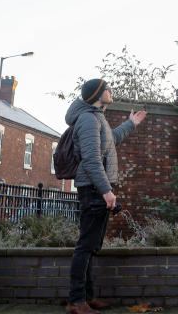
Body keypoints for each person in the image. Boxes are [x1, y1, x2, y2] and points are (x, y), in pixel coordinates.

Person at [66, 78, 147, 314]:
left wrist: (130, 123)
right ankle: (76, 300)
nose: (111, 91)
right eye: (107, 89)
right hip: (93, 188)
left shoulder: (96, 117)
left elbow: (110, 141)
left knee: (91, 245)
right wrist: (106, 191)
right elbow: (91, 159)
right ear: (97, 94)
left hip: (95, 187)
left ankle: (86, 297)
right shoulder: (88, 119)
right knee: (85, 246)